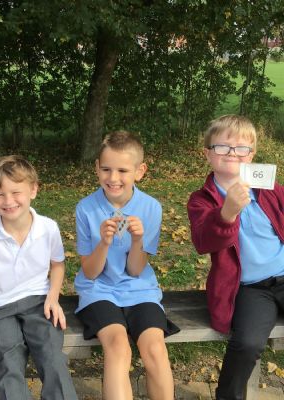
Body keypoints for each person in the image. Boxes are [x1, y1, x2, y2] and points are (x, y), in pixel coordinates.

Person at [74, 131, 179, 400]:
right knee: (119, 348)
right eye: (106, 169)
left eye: (122, 170)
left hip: (139, 289)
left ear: (139, 171)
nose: (113, 178)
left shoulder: (151, 208)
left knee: (155, 349)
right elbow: (90, 272)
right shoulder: (86, 208)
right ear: (97, 168)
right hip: (98, 291)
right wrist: (104, 243)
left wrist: (138, 240)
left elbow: (135, 269)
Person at [187, 114, 284, 400]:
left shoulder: (270, 190)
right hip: (251, 289)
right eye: (222, 146)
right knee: (247, 343)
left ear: (251, 154)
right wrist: (227, 213)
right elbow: (203, 241)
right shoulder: (202, 200)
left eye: (241, 148)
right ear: (208, 154)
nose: (232, 153)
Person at [0, 155, 78, 400]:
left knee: (52, 356)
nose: (8, 201)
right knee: (9, 359)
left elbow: (57, 264)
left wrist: (53, 297)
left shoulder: (47, 227)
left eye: (16, 192)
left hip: (38, 300)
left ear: (33, 190)